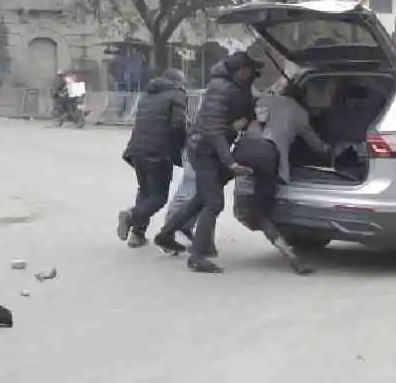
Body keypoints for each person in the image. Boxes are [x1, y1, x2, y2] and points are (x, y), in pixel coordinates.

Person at [153, 51, 262, 274]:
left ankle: (165, 234)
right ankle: (197, 256)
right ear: (240, 70)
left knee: (202, 199)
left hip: (212, 150)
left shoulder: (238, 86)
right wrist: (230, 163)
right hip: (203, 150)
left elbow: (241, 113)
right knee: (214, 203)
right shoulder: (220, 88)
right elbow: (214, 129)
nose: (253, 75)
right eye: (250, 70)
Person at [232, 85, 331, 275]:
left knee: (210, 192)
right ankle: (293, 258)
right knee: (262, 214)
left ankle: (178, 230)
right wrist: (330, 152)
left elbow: (244, 121)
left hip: (243, 150)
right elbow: (316, 145)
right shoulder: (300, 113)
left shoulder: (265, 100)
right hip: (268, 157)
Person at [117, 68, 188, 251]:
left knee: (145, 193)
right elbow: (178, 125)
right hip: (158, 151)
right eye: (183, 82)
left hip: (137, 150)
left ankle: (137, 235)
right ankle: (131, 216)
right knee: (158, 197)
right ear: (177, 82)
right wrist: (181, 147)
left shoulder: (148, 95)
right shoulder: (177, 94)